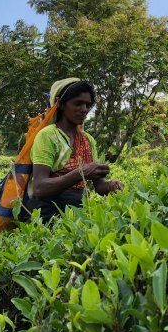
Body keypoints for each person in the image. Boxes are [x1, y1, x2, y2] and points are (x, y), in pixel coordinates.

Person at [22, 78, 124, 223]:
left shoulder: (87, 140)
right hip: (46, 216)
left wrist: (111, 185)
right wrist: (80, 173)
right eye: (77, 103)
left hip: (76, 215)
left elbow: (99, 185)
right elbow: (39, 187)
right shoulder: (48, 136)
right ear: (61, 104)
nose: (84, 109)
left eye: (88, 105)